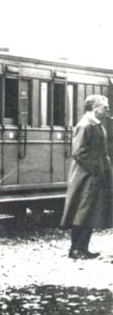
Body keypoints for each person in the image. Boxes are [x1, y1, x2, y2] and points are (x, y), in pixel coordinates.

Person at [60, 94, 113, 259]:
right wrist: (96, 169)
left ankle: (82, 248)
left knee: (89, 212)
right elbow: (79, 153)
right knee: (82, 212)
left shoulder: (95, 124)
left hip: (92, 175)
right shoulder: (85, 125)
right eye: (105, 107)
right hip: (86, 176)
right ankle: (76, 250)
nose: (108, 109)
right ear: (95, 108)